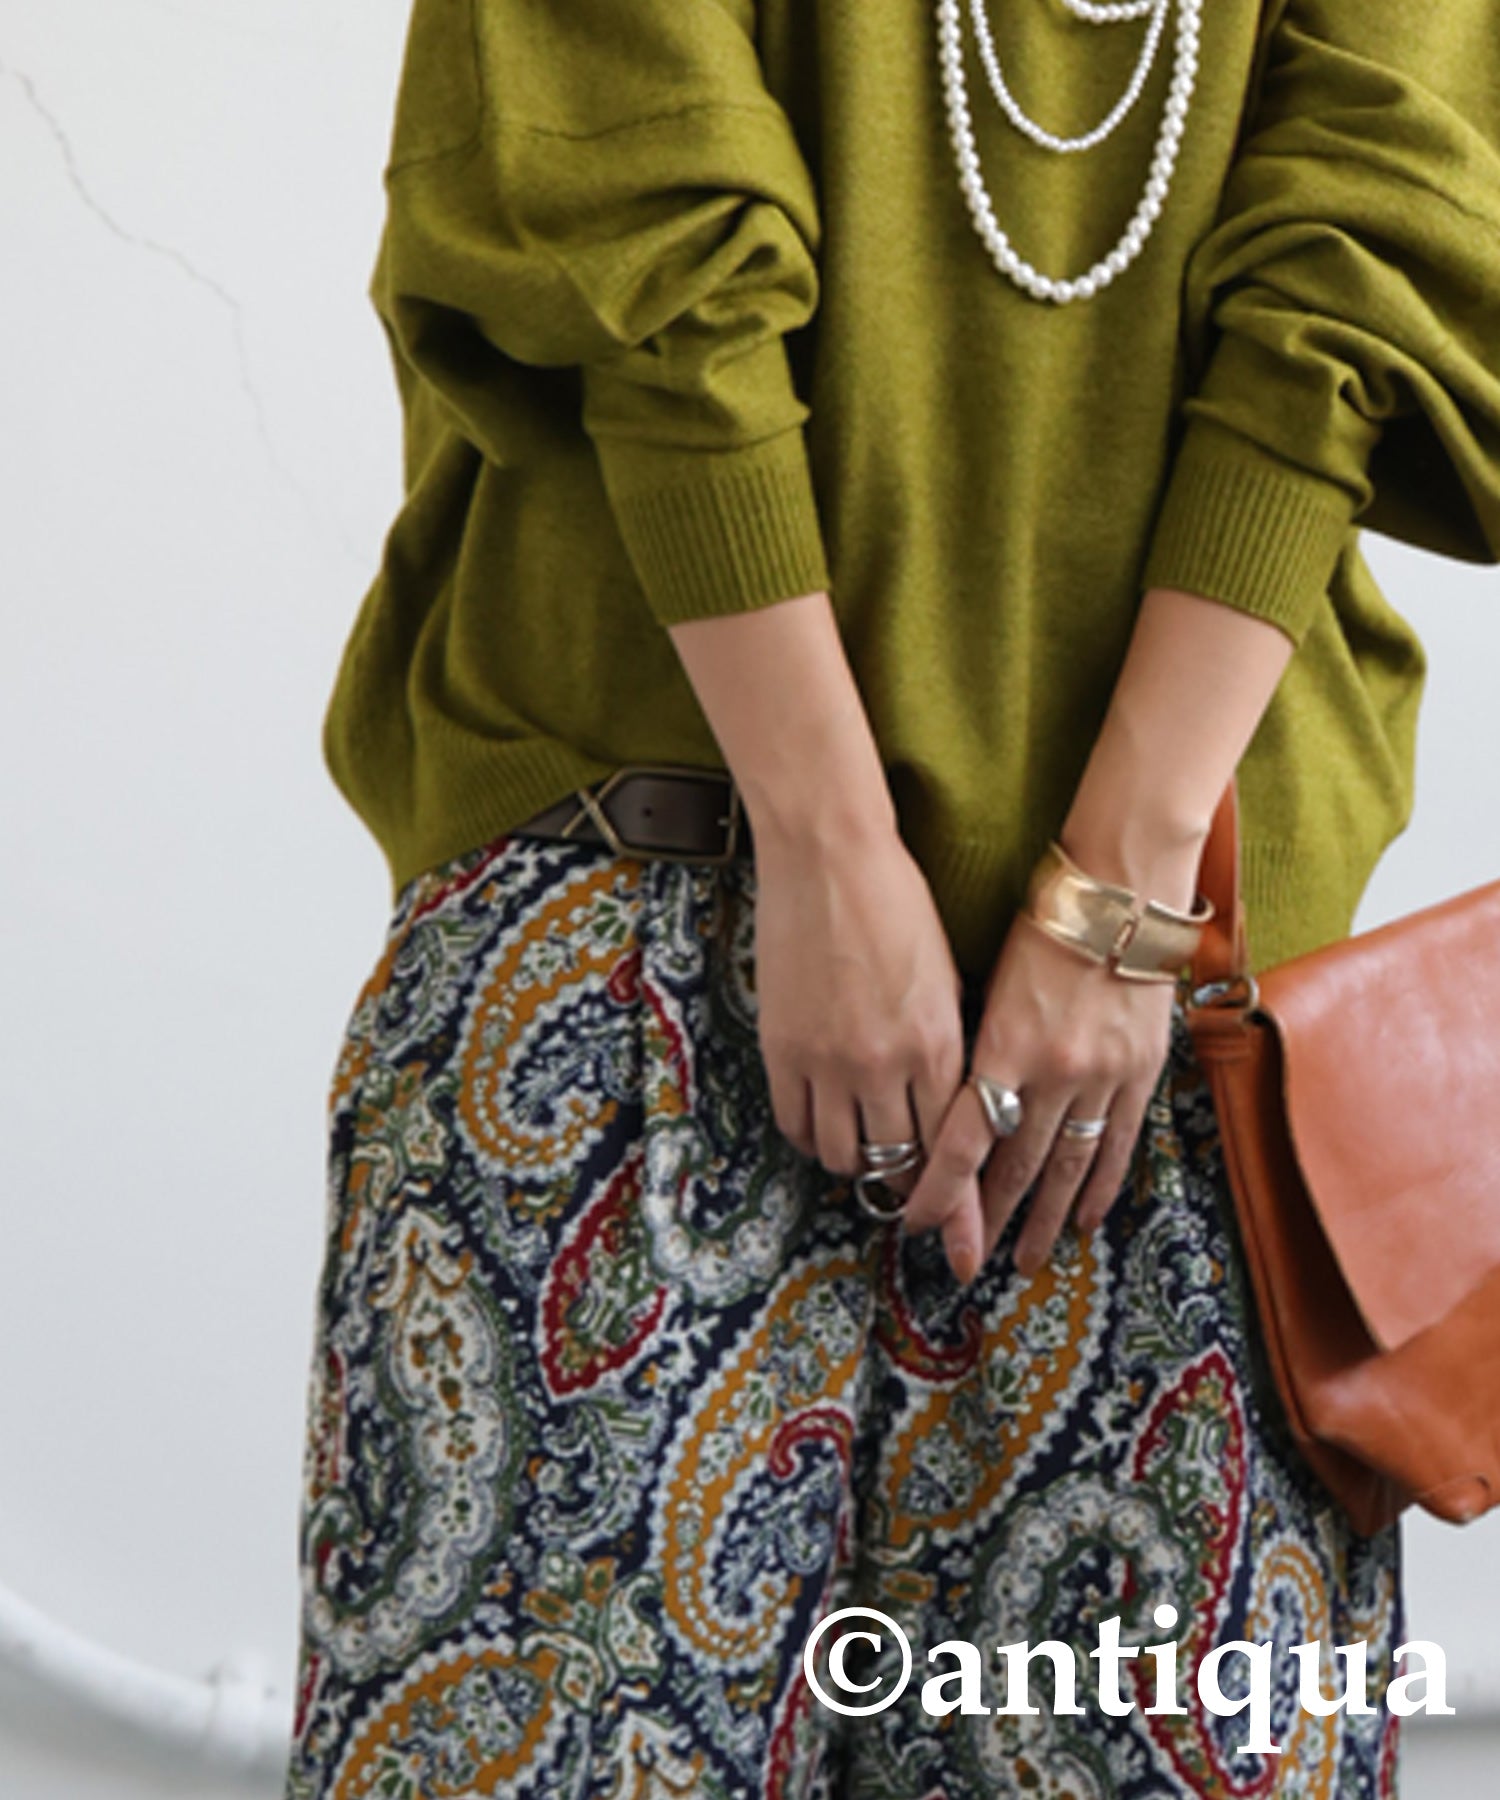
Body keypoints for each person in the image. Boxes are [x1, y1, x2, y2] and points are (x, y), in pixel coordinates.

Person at [284, 1, 1500, 1795]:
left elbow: (1373, 260)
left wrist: (1117, 889)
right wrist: (829, 844)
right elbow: (625, 213)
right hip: (633, 948)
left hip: (1181, 1039)